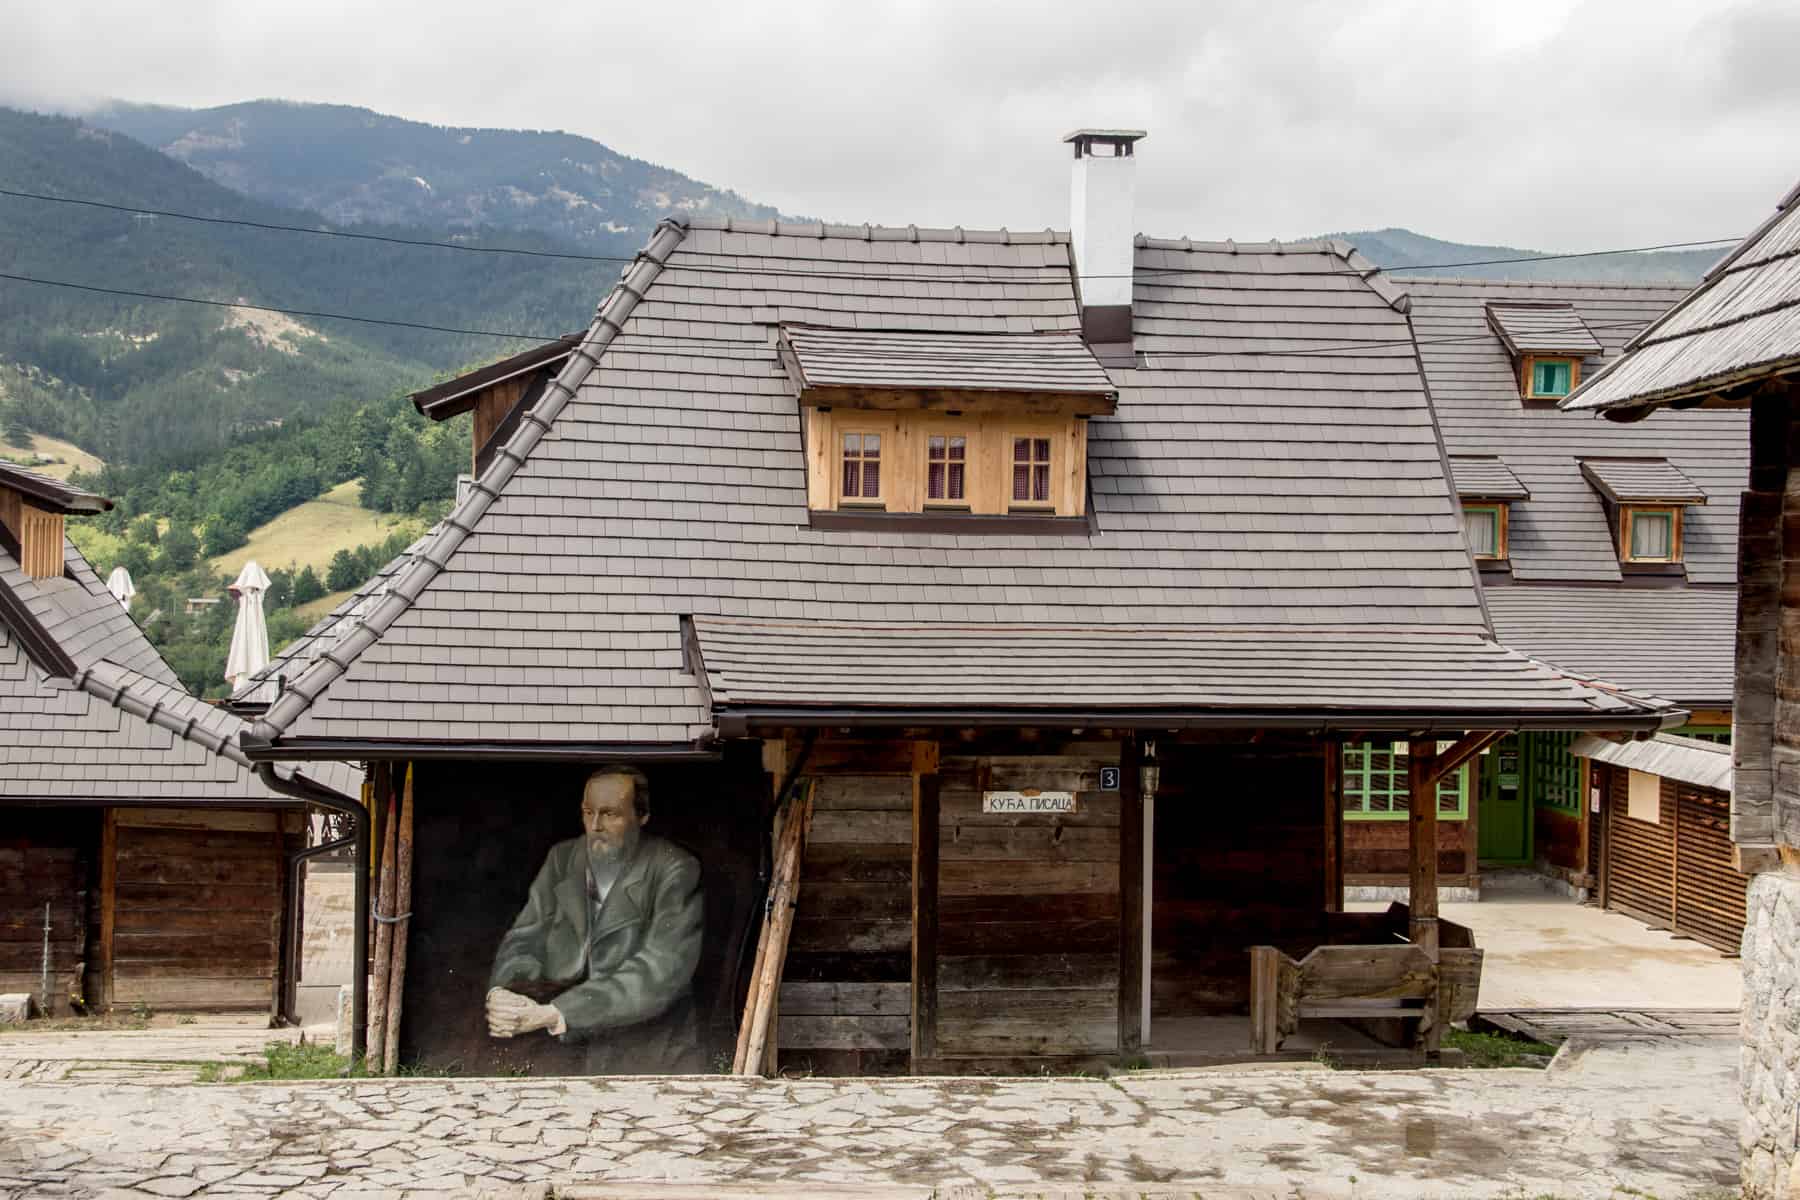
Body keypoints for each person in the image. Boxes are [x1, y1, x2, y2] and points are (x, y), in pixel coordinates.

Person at [485, 766, 705, 1074]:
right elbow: (524, 937)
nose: (595, 826)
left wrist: (556, 1013)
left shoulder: (675, 869)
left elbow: (659, 971)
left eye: (610, 814)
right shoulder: (563, 859)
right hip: (561, 1045)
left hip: (650, 1049)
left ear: (642, 816)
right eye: (588, 813)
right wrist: (504, 991)